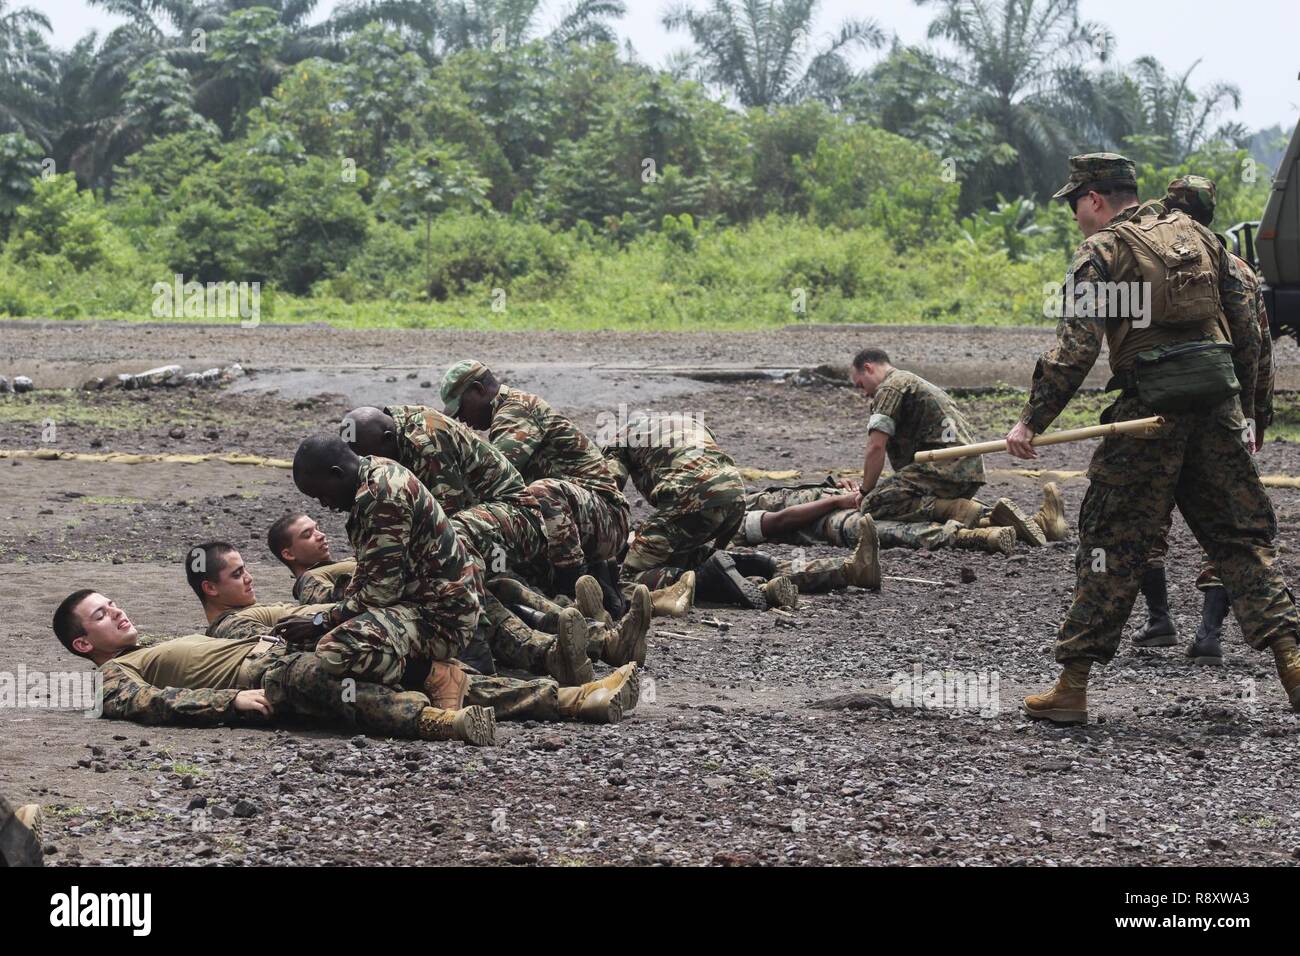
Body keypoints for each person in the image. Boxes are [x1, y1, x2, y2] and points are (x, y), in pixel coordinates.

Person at [1004, 152, 1300, 723]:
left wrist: (1031, 422)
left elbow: (1075, 350)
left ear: (1094, 199)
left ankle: (1071, 687)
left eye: (1075, 205)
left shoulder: (1105, 253)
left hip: (1149, 418)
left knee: (1108, 545)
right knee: (1242, 540)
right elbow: (1248, 330)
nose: (1076, 217)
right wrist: (1248, 412)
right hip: (1215, 411)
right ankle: (1292, 663)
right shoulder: (1200, 238)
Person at [1128, 175, 1277, 665]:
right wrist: (1252, 414)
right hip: (1222, 411)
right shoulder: (1235, 267)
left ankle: (1158, 620)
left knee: (1148, 512)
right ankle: (1209, 635)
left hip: (1158, 405)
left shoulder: (1146, 254)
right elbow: (1257, 347)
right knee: (1230, 522)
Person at [440, 361, 631, 609]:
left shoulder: (516, 411)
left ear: (478, 390)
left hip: (607, 519)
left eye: (461, 409)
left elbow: (494, 479)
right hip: (587, 520)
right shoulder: (507, 412)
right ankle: (603, 592)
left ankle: (572, 592)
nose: (462, 419)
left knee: (540, 494)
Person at [849, 348, 1065, 549]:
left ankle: (957, 509)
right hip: (966, 468)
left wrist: (865, 491)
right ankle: (1040, 524)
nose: (864, 393)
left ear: (869, 368)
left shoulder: (890, 387)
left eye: (860, 385)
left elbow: (876, 447)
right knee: (925, 506)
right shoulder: (911, 382)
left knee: (873, 505)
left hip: (943, 467)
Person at [265, 512, 355, 605]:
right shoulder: (310, 582)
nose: (321, 535)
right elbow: (332, 602)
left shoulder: (327, 570)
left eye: (317, 529)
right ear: (289, 554)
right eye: (308, 535)